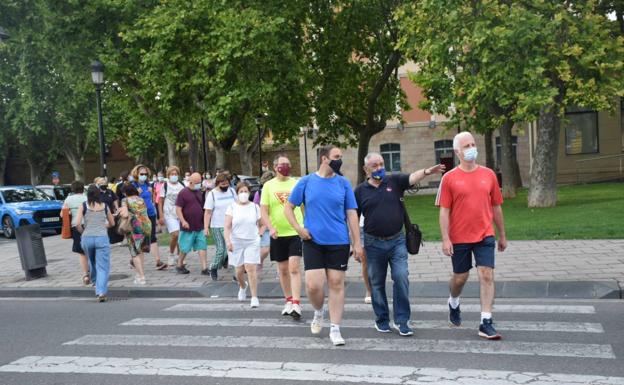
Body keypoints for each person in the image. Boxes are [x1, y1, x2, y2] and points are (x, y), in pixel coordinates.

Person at [355, 152, 445, 336]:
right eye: (375, 165)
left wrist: (427, 171)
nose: (380, 167)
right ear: (366, 169)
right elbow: (352, 218)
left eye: (381, 163)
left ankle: (402, 320)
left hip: (397, 241)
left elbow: (412, 177)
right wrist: (355, 244)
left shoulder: (394, 181)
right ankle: (381, 319)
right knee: (377, 283)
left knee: (401, 277)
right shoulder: (360, 191)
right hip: (372, 244)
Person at [284, 145, 363, 346]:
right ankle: (318, 312)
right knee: (313, 285)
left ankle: (335, 329)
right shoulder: (307, 182)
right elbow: (289, 207)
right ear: (324, 159)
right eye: (336, 157)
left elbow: (352, 213)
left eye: (341, 157)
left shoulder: (343, 183)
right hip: (313, 241)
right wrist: (298, 228)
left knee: (336, 283)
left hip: (339, 241)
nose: (340, 160)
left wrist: (357, 242)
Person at [436, 131, 507, 340]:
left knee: (486, 274)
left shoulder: (488, 175)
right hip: (459, 237)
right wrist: (445, 239)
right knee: (461, 277)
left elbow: (497, 206)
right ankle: (454, 301)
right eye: (467, 146)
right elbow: (444, 211)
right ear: (458, 151)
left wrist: (502, 234)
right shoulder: (449, 179)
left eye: (473, 144)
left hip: (485, 234)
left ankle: (486, 321)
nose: (471, 148)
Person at [261, 155, 305, 318]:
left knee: (294, 267)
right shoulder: (268, 186)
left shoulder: (296, 183)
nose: (285, 167)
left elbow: (303, 206)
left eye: (288, 164)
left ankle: (296, 303)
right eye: (282, 164)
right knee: (283, 269)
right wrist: (270, 228)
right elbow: (264, 210)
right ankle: (288, 300)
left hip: (295, 232)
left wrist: (304, 225)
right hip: (277, 233)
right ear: (275, 167)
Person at [225, 181, 262, 308]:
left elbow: (262, 223)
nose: (244, 194)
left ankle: (254, 297)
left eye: (246, 191)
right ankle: (242, 286)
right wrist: (228, 241)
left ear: (249, 192)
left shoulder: (255, 207)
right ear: (237, 193)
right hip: (236, 241)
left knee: (251, 268)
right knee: (239, 270)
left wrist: (260, 234)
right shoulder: (232, 207)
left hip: (252, 241)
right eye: (241, 192)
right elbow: (227, 227)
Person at [74, 185, 115, 302]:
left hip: (87, 238)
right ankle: (101, 291)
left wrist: (83, 232)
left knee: (91, 261)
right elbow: (112, 223)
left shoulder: (83, 206)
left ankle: (95, 281)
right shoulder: (105, 206)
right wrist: (103, 226)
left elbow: (77, 224)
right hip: (101, 238)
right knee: (102, 266)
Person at [131, 164, 167, 270]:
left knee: (152, 237)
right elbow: (129, 201)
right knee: (140, 238)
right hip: (139, 215)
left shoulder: (148, 185)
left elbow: (151, 199)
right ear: (136, 174)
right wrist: (136, 194)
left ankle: (158, 261)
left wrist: (152, 194)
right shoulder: (133, 185)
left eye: (146, 174)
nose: (144, 176)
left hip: (150, 213)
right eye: (142, 174)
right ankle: (135, 259)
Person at [204, 172, 237, 280]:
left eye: (227, 184)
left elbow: (237, 206)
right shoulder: (212, 194)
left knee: (233, 249)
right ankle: (213, 267)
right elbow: (208, 212)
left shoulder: (232, 191)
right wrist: (206, 227)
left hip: (231, 225)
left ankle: (236, 274)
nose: (225, 186)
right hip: (217, 226)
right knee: (221, 250)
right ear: (217, 183)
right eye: (222, 185)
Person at [175, 173, 209, 274]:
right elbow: (178, 209)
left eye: (200, 182)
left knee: (202, 246)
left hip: (199, 225)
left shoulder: (199, 192)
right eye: (197, 183)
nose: (199, 184)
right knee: (185, 247)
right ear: (190, 182)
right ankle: (179, 264)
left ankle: (204, 268)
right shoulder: (183, 193)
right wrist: (183, 221)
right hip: (187, 226)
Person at [120, 184, 151, 285]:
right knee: (141, 250)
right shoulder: (140, 199)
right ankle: (138, 274)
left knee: (134, 252)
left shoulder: (125, 200)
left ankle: (141, 277)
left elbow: (125, 214)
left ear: (125, 192)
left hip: (134, 227)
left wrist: (120, 212)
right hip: (146, 225)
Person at [62, 181, 89, 285]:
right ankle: (94, 272)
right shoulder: (87, 198)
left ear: (72, 189)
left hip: (75, 226)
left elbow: (62, 214)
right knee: (91, 249)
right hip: (88, 225)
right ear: (83, 189)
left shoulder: (68, 199)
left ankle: (86, 275)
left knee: (82, 252)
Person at [159, 166, 184, 267]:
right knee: (175, 234)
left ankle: (179, 255)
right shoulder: (164, 185)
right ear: (168, 176)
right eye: (172, 174)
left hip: (180, 213)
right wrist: (161, 215)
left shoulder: (182, 185)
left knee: (180, 235)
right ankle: (171, 254)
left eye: (176, 174)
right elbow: (160, 201)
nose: (174, 176)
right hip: (169, 213)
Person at [253, 170, 275, 274]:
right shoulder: (259, 193)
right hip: (264, 224)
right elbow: (255, 209)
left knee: (280, 251)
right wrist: (259, 224)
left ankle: (280, 272)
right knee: (266, 249)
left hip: (277, 223)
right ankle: (259, 261)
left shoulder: (277, 191)